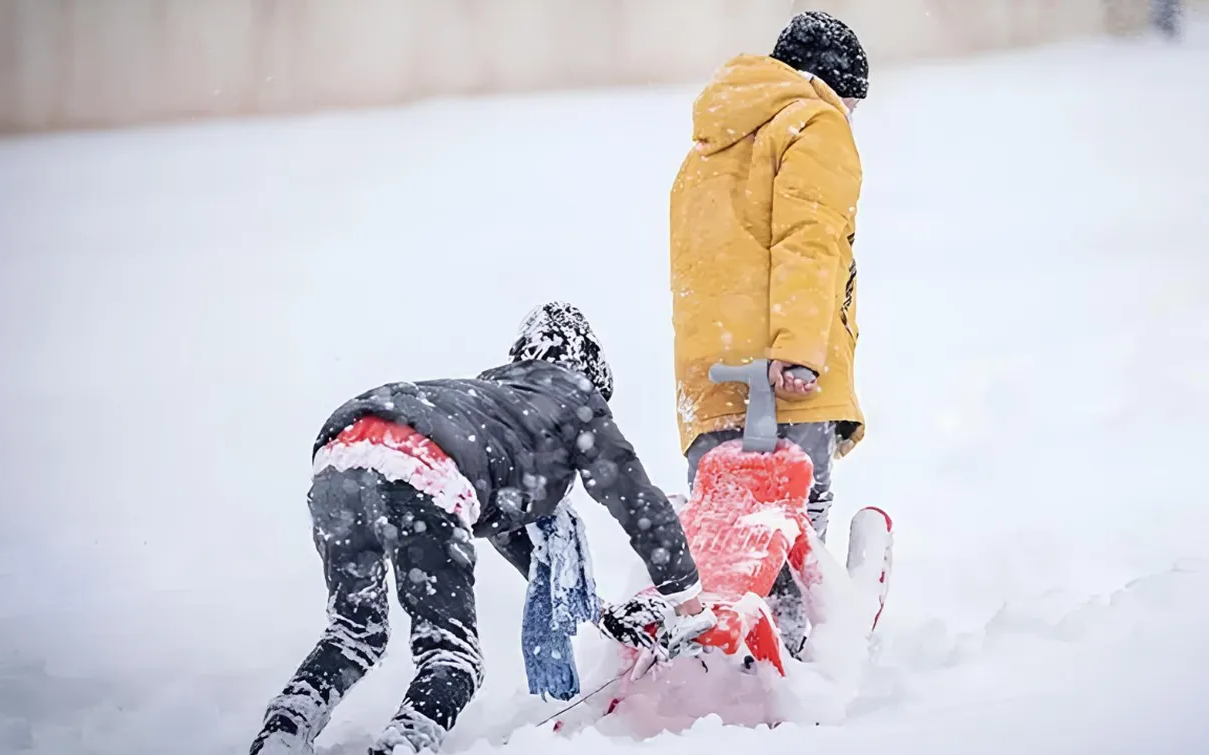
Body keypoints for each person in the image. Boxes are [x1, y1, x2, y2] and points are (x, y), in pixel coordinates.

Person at [249, 302, 713, 755]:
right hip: (422, 469)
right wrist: (687, 600)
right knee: (452, 657)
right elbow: (636, 501)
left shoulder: (491, 409)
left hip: (341, 456)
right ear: (590, 372)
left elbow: (525, 550)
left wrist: (602, 613)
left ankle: (284, 730)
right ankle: (405, 744)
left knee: (355, 632)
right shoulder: (574, 401)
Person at [668, 10, 870, 657]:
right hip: (786, 371)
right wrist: (798, 350)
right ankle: (795, 650)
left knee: (728, 535)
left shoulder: (708, 143)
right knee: (794, 520)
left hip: (708, 377)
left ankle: (723, 651)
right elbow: (808, 243)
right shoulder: (815, 121)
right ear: (833, 86)